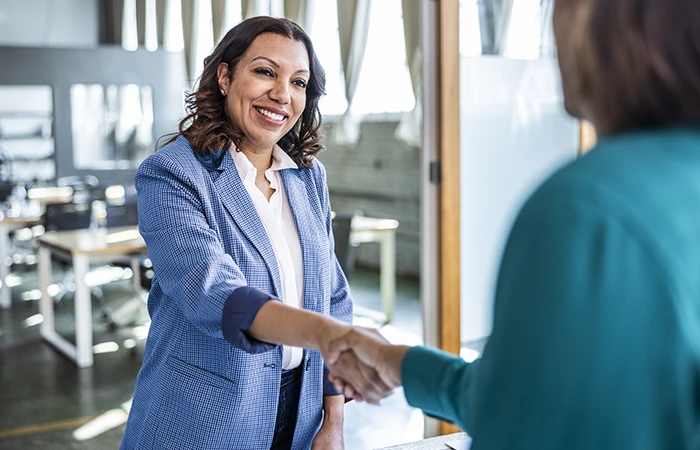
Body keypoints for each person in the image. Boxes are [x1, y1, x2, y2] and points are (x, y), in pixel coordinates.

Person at [326, 0, 700, 448]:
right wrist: (399, 362)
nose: (549, 29)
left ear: (593, 16)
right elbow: (535, 390)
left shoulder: (588, 209)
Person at [120, 16, 368, 450]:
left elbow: (333, 298)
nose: (282, 94)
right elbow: (213, 291)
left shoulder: (307, 177)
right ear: (224, 75)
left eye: (298, 82)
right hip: (204, 417)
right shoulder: (171, 175)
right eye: (265, 71)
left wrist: (334, 419)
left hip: (302, 413)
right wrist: (325, 334)